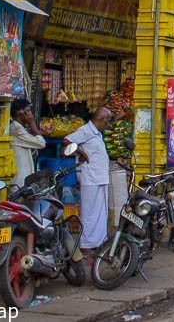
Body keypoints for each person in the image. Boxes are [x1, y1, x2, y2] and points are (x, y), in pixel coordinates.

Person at [64, 107, 113, 259]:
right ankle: (86, 244)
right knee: (90, 212)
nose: (108, 124)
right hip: (90, 178)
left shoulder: (96, 133)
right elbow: (67, 140)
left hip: (99, 177)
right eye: (107, 121)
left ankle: (98, 242)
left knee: (100, 212)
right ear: (101, 119)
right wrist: (82, 152)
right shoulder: (86, 130)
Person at [9, 97, 45, 186]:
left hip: (22, 177)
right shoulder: (16, 129)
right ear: (20, 114)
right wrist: (32, 123)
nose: (31, 115)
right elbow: (41, 143)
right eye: (28, 111)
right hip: (19, 180)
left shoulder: (18, 128)